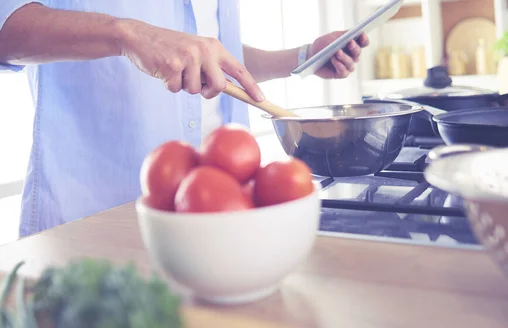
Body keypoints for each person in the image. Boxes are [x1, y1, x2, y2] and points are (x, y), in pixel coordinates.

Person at [0, 1, 369, 238]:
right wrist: (128, 33)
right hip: (91, 222)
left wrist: (302, 57)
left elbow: (209, 59)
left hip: (220, 220)